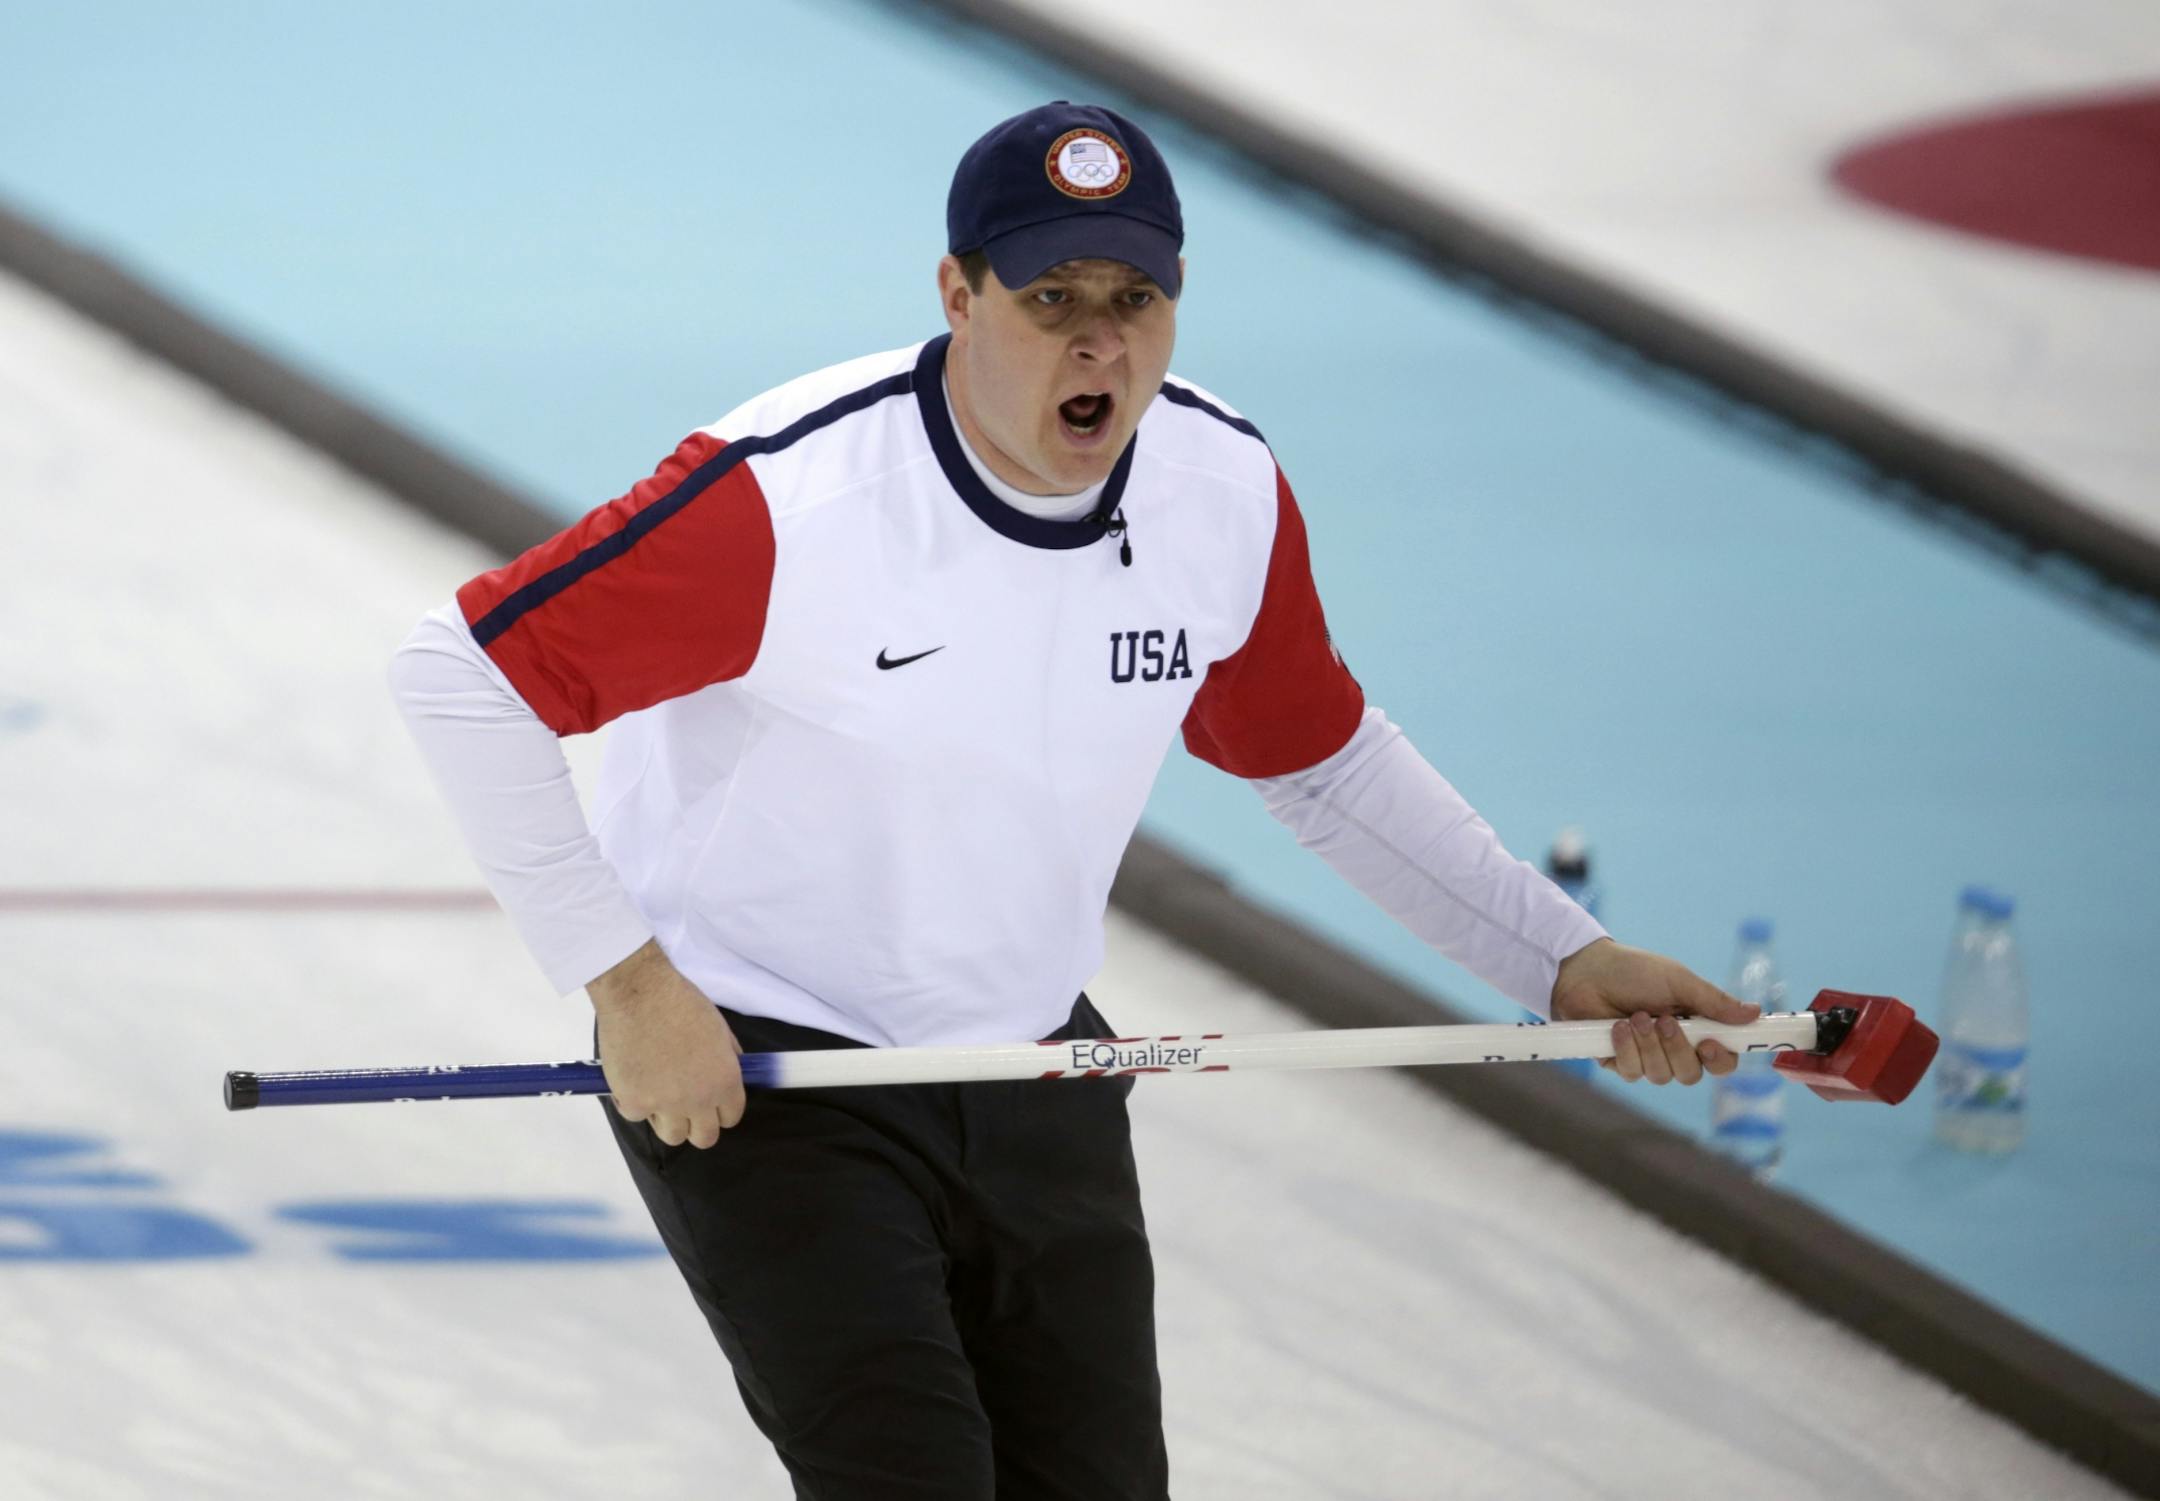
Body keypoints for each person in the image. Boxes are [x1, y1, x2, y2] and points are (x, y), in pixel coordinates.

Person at [389, 100, 1756, 1501]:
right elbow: (459, 673)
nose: (1102, 339)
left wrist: (1562, 958)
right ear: (958, 295)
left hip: (1040, 1063)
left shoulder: (1220, 493)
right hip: (772, 1077)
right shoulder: (794, 500)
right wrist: (629, 986)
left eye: (1137, 297)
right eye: (1052, 299)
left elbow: (1321, 760)